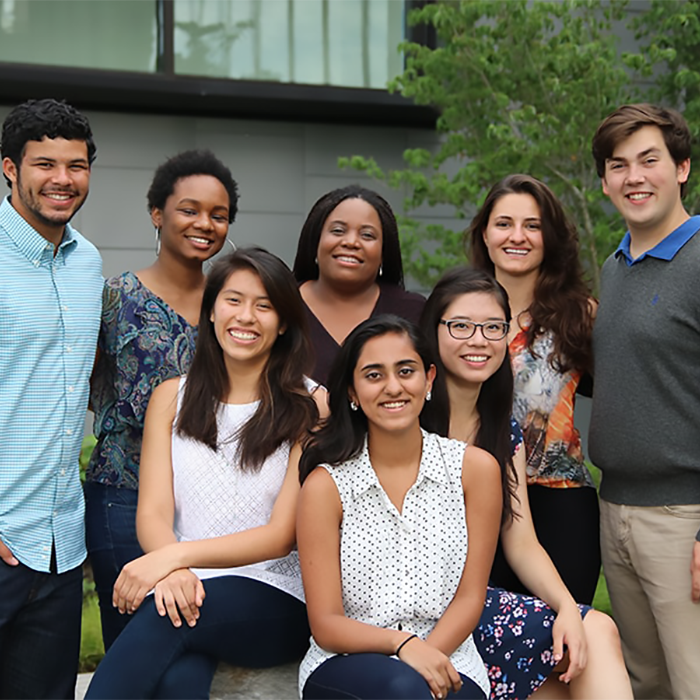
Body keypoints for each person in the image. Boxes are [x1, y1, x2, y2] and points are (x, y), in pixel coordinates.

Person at [85, 247, 325, 699]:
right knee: (179, 679)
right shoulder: (171, 398)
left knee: (163, 618)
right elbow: (154, 513)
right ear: (211, 310)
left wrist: (173, 559)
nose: (246, 317)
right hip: (188, 587)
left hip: (277, 594)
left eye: (264, 305)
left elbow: (281, 535)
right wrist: (174, 569)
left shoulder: (310, 404)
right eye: (233, 300)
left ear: (285, 321)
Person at [421, 267, 632, 700]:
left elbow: (521, 542)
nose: (478, 340)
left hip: (478, 608)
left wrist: (566, 608)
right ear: (432, 330)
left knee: (590, 635)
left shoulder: (504, 431)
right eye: (461, 326)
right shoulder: (404, 418)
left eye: (493, 327)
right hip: (414, 612)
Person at [297, 315, 502, 700]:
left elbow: (470, 597)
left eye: (406, 371)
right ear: (353, 393)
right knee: (402, 689)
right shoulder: (326, 486)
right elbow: (326, 624)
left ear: (429, 380)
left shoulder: (475, 470)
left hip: (451, 659)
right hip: (345, 661)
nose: (393, 387)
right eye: (374, 375)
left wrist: (427, 655)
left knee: (413, 690)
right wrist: (405, 646)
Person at [85, 149, 239, 650]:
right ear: (157, 214)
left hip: (212, 505)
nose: (204, 224)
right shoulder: (113, 298)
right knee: (134, 642)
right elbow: (81, 388)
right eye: (189, 209)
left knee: (192, 645)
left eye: (219, 215)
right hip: (123, 494)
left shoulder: (233, 305)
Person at [589, 103, 700, 700]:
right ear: (604, 183)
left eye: (650, 160)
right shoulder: (616, 267)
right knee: (645, 683)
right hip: (617, 509)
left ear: (681, 168)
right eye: (618, 165)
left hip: (686, 517)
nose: (634, 176)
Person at [0, 98, 102, 700]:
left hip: (62, 547)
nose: (62, 179)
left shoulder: (87, 263)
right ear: (10, 168)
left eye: (76, 165)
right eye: (45, 163)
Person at [468, 175, 600, 605]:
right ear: (485, 233)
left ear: (550, 237)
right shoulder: (455, 316)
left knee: (563, 640)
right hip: (473, 500)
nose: (517, 236)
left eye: (533, 225)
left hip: (560, 504)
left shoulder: (582, 317)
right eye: (504, 223)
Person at [293, 185, 424, 386]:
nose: (351, 242)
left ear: (384, 252)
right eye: (338, 231)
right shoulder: (279, 304)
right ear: (315, 240)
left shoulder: (413, 311)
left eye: (367, 235)